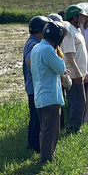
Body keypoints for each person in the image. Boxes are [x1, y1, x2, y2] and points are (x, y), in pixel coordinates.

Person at [30, 21, 68, 163]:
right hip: (50, 96)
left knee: (45, 130)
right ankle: (46, 160)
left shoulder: (36, 48)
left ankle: (46, 157)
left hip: (40, 95)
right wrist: (58, 55)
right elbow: (60, 67)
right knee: (51, 131)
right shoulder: (48, 50)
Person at [23, 15, 51, 153]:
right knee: (35, 118)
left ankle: (34, 145)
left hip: (34, 86)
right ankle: (33, 146)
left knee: (36, 117)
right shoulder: (34, 44)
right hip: (34, 86)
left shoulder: (33, 41)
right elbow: (29, 60)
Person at [62, 4, 88, 134]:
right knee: (78, 102)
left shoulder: (76, 31)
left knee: (79, 101)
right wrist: (78, 72)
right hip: (73, 74)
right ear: (74, 17)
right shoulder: (69, 33)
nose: (83, 19)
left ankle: (74, 127)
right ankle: (73, 128)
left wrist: (84, 72)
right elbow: (69, 54)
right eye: (81, 16)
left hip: (79, 72)